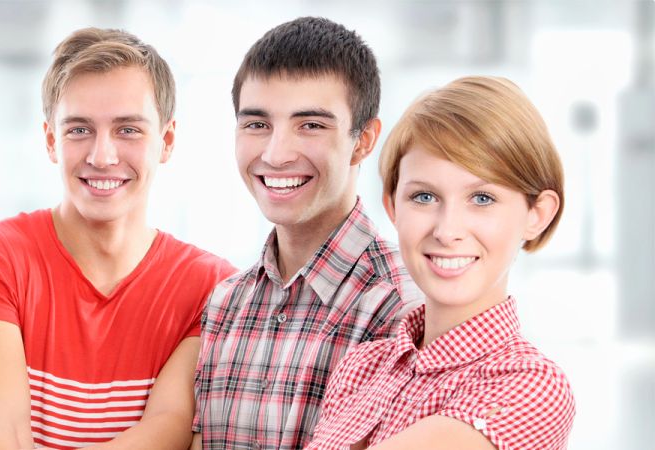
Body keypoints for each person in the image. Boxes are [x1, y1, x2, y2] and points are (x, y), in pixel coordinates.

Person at [0, 27, 236, 450]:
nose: (102, 156)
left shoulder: (215, 287)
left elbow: (168, 428)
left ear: (166, 141)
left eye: (128, 130)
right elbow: (4, 434)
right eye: (79, 130)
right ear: (52, 140)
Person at [306, 76, 574, 449]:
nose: (447, 231)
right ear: (392, 207)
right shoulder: (361, 366)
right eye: (425, 196)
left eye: (482, 198)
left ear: (537, 214)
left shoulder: (531, 385)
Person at [193, 17, 421, 449]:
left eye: (311, 125)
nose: (276, 154)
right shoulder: (224, 304)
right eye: (257, 124)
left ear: (364, 139)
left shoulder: (403, 312)